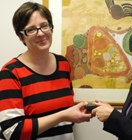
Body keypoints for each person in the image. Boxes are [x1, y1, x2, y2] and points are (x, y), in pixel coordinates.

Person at [0, 2, 92, 140]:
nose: (41, 33)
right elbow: (12, 132)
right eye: (31, 29)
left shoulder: (63, 63)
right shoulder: (10, 72)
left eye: (44, 26)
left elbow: (65, 111)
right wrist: (63, 115)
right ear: (20, 36)